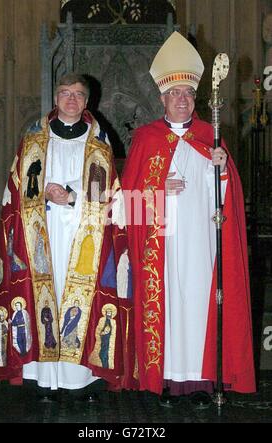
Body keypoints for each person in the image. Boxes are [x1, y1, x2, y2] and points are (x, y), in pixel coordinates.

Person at [122, 31, 256, 408]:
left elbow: (229, 196)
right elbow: (127, 203)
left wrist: (223, 168)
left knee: (199, 307)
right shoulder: (146, 140)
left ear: (195, 98)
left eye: (187, 94)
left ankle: (200, 383)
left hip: (201, 245)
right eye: (174, 94)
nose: (181, 99)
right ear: (162, 98)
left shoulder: (210, 136)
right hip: (161, 246)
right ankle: (163, 379)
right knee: (167, 309)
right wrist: (157, 189)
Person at [0, 72, 136, 399]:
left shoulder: (99, 141)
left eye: (78, 94)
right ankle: (44, 379)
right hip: (42, 235)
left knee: (81, 300)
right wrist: (42, 193)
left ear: (87, 101)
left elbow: (108, 192)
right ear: (55, 98)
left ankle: (79, 381)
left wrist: (71, 196)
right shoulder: (35, 139)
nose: (71, 99)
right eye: (65, 93)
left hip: (85, 235)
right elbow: (16, 190)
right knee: (44, 298)